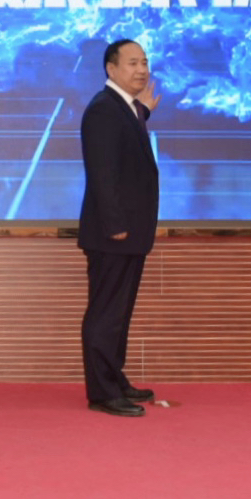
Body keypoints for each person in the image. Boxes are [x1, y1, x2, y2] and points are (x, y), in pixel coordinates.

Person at [77, 39, 162, 417]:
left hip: (131, 232)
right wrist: (114, 224)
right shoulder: (103, 109)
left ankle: (115, 378)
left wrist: (142, 113)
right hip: (114, 234)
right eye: (132, 63)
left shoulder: (124, 108)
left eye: (144, 62)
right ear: (111, 69)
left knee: (120, 313)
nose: (141, 69)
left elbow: (125, 149)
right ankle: (103, 392)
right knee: (106, 314)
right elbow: (102, 171)